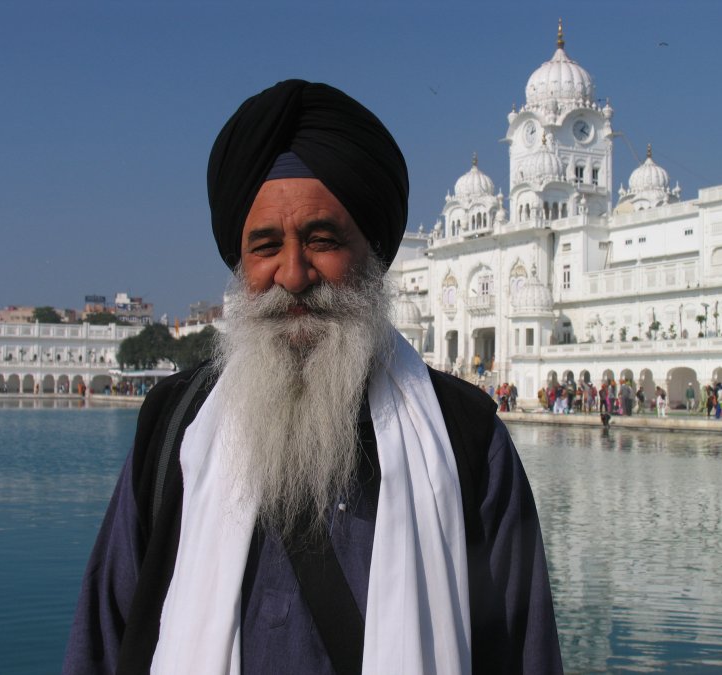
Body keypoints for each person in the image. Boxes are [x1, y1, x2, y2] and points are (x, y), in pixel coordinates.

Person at [64, 79, 561, 675]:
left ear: (373, 256)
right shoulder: (176, 428)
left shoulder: (465, 437)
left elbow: (523, 648)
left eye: (323, 240)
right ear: (240, 263)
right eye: (265, 245)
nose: (293, 274)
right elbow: (104, 636)